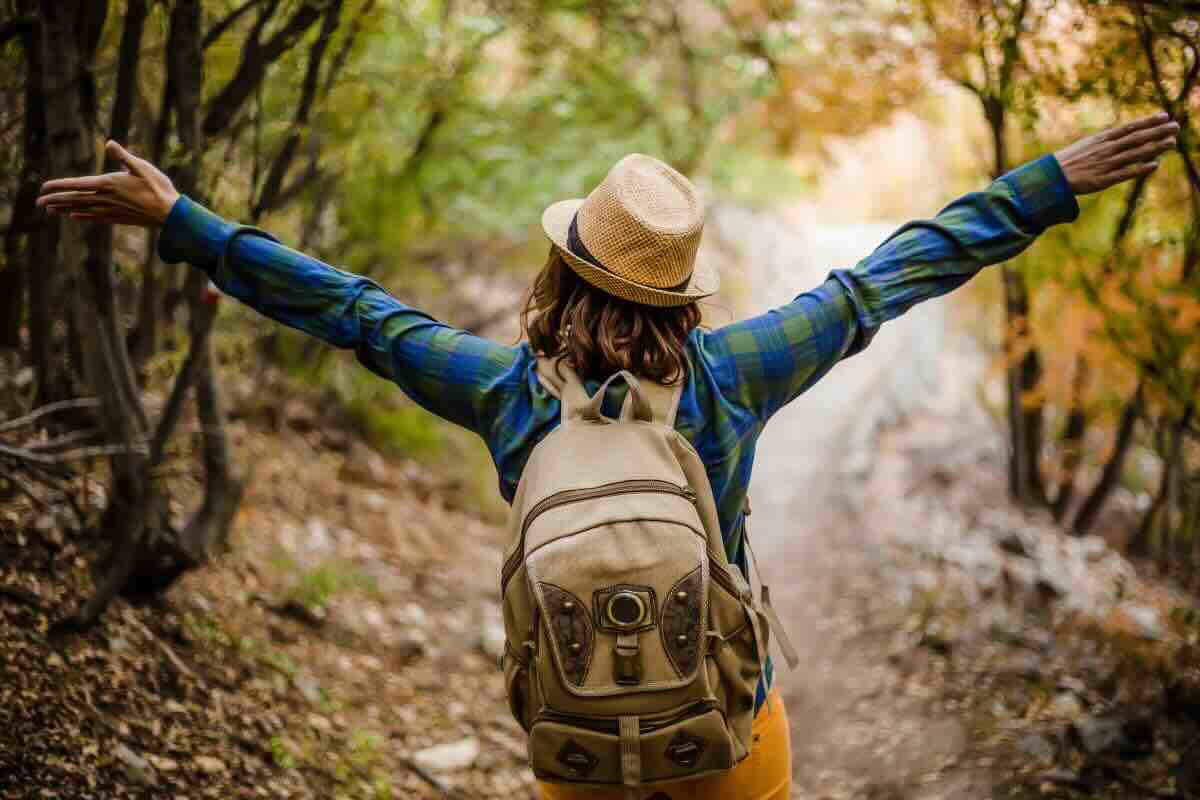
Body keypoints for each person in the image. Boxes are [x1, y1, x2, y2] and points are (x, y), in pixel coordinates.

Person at [38, 112, 1177, 799]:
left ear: (561, 266)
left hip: (576, 725)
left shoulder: (501, 390)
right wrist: (1045, 184)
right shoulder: (734, 372)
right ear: (681, 290)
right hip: (729, 713)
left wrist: (188, 222)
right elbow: (888, 275)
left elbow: (356, 312)